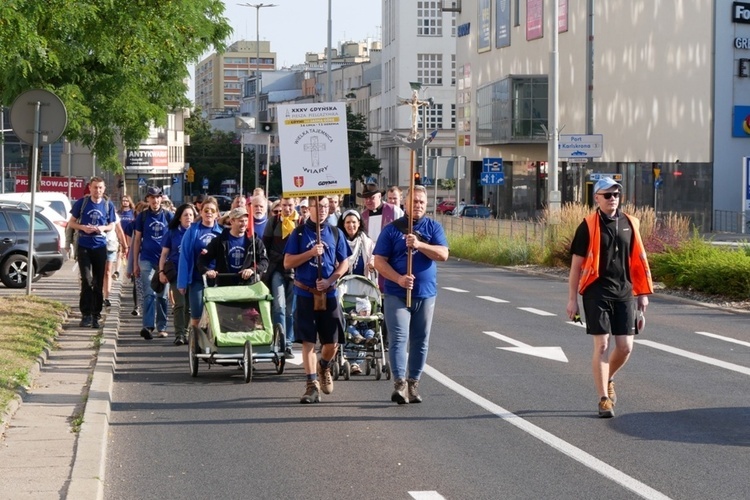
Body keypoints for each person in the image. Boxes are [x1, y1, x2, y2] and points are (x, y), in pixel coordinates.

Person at [566, 177, 653, 418]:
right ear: (596, 198)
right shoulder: (587, 225)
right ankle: (603, 398)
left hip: (624, 291)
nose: (612, 198)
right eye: (607, 195)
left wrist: (642, 293)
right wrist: (572, 300)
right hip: (596, 291)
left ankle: (609, 377)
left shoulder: (631, 223)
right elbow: (575, 267)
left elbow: (638, 260)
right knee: (602, 344)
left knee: (625, 347)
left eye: (616, 194)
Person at [373, 185, 449, 404]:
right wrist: (398, 278)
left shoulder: (433, 228)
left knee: (420, 340)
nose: (417, 205)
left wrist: (419, 244)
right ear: (405, 203)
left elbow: (443, 254)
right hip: (397, 293)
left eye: (421, 203)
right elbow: (379, 261)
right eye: (414, 201)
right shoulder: (392, 229)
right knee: (398, 339)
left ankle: (413, 382)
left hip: (425, 294)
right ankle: (399, 383)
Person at [284, 195, 351, 404]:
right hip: (305, 293)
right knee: (308, 342)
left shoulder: (335, 232)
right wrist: (310, 253)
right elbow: (288, 262)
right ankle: (311, 386)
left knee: (332, 343)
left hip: (328, 294)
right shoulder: (299, 232)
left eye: (324, 206)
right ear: (309, 208)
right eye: (317, 206)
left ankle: (324, 366)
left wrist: (331, 279)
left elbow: (344, 263)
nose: (321, 210)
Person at [68, 176, 117, 329]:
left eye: (100, 188)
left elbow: (112, 224)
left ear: (104, 189)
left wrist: (102, 228)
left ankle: (96, 315)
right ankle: (86, 314)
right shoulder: (82, 203)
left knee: (98, 281)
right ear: (90, 188)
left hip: (100, 246)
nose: (98, 190)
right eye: (95, 187)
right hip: (84, 246)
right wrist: (83, 227)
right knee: (87, 280)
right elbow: (71, 222)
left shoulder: (108, 205)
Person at [337, 209, 376, 374]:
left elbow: (374, 257)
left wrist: (373, 263)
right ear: (343, 224)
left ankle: (357, 362)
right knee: (346, 324)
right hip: (343, 290)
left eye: (354, 222)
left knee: (362, 323)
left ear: (359, 223)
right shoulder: (338, 240)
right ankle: (344, 357)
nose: (351, 225)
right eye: (347, 222)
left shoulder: (366, 242)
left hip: (362, 289)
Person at [177, 196, 223, 332]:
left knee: (215, 315)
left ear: (216, 214)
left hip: (217, 279)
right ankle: (196, 344)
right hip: (197, 278)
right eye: (206, 210)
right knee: (196, 314)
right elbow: (184, 256)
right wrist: (182, 282)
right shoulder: (192, 231)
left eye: (212, 210)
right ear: (201, 212)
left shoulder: (221, 232)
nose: (209, 213)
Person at [132, 186, 173, 340]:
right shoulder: (142, 217)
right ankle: (148, 326)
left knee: (162, 295)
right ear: (147, 199)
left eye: (157, 197)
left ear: (161, 199)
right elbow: (137, 240)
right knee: (149, 293)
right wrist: (135, 263)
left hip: (165, 262)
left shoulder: (169, 216)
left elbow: (174, 238)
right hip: (147, 259)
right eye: (152, 197)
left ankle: (162, 327)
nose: (155, 200)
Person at [262, 196, 299, 358]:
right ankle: (279, 340)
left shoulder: (301, 222)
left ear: (295, 205)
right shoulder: (273, 222)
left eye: (290, 205)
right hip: (277, 268)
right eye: (284, 205)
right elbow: (265, 246)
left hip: (296, 271)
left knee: (291, 309)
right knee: (279, 305)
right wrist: (279, 258)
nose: (287, 208)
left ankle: (288, 342)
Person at [199, 207, 269, 286]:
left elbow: (264, 261)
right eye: (240, 221)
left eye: (246, 221)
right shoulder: (219, 241)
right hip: (225, 286)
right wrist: (207, 271)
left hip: (248, 286)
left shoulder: (254, 241)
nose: (244, 224)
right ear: (232, 221)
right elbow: (202, 259)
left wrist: (252, 270)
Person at [159, 203, 197, 346]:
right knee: (180, 303)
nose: (188, 218)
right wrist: (161, 272)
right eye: (185, 215)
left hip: (193, 272)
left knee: (189, 305)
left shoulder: (197, 231)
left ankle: (187, 333)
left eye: (191, 215)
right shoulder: (172, 232)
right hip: (176, 272)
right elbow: (164, 254)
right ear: (179, 218)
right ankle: (179, 333)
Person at [103, 212, 127, 307]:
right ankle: (98, 294)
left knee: (108, 271)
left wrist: (125, 245)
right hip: (96, 244)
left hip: (110, 244)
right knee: (99, 271)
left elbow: (119, 230)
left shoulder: (113, 214)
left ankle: (107, 297)